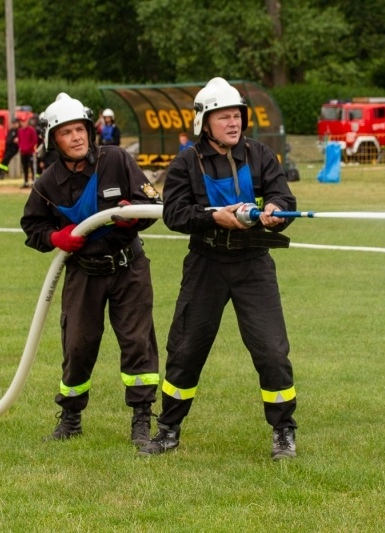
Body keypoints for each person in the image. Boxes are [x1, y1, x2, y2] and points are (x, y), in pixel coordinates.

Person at [138, 77, 298, 461]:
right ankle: (168, 430)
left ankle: (283, 431)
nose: (233, 122)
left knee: (272, 352)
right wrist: (214, 218)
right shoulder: (185, 162)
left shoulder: (260, 154)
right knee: (185, 350)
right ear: (204, 122)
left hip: (253, 264)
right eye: (223, 116)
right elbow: (175, 214)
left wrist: (276, 211)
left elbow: (283, 196)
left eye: (237, 115)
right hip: (205, 265)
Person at [20, 93, 163, 446]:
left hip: (128, 268)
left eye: (80, 129)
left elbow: (152, 204)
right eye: (66, 132)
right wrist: (56, 237)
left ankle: (141, 420)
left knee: (137, 342)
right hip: (83, 272)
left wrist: (132, 217)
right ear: (53, 140)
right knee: (77, 345)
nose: (76, 137)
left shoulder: (116, 160)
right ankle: (71, 419)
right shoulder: (47, 183)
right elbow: (32, 226)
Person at [17, 116, 38, 188]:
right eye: (22, 122)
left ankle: (33, 182)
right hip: (23, 152)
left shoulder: (31, 130)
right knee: (24, 167)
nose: (23, 123)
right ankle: (25, 182)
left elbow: (34, 140)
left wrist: (29, 147)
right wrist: (21, 147)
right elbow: (19, 140)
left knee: (32, 167)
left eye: (24, 121)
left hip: (30, 152)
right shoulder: (19, 130)